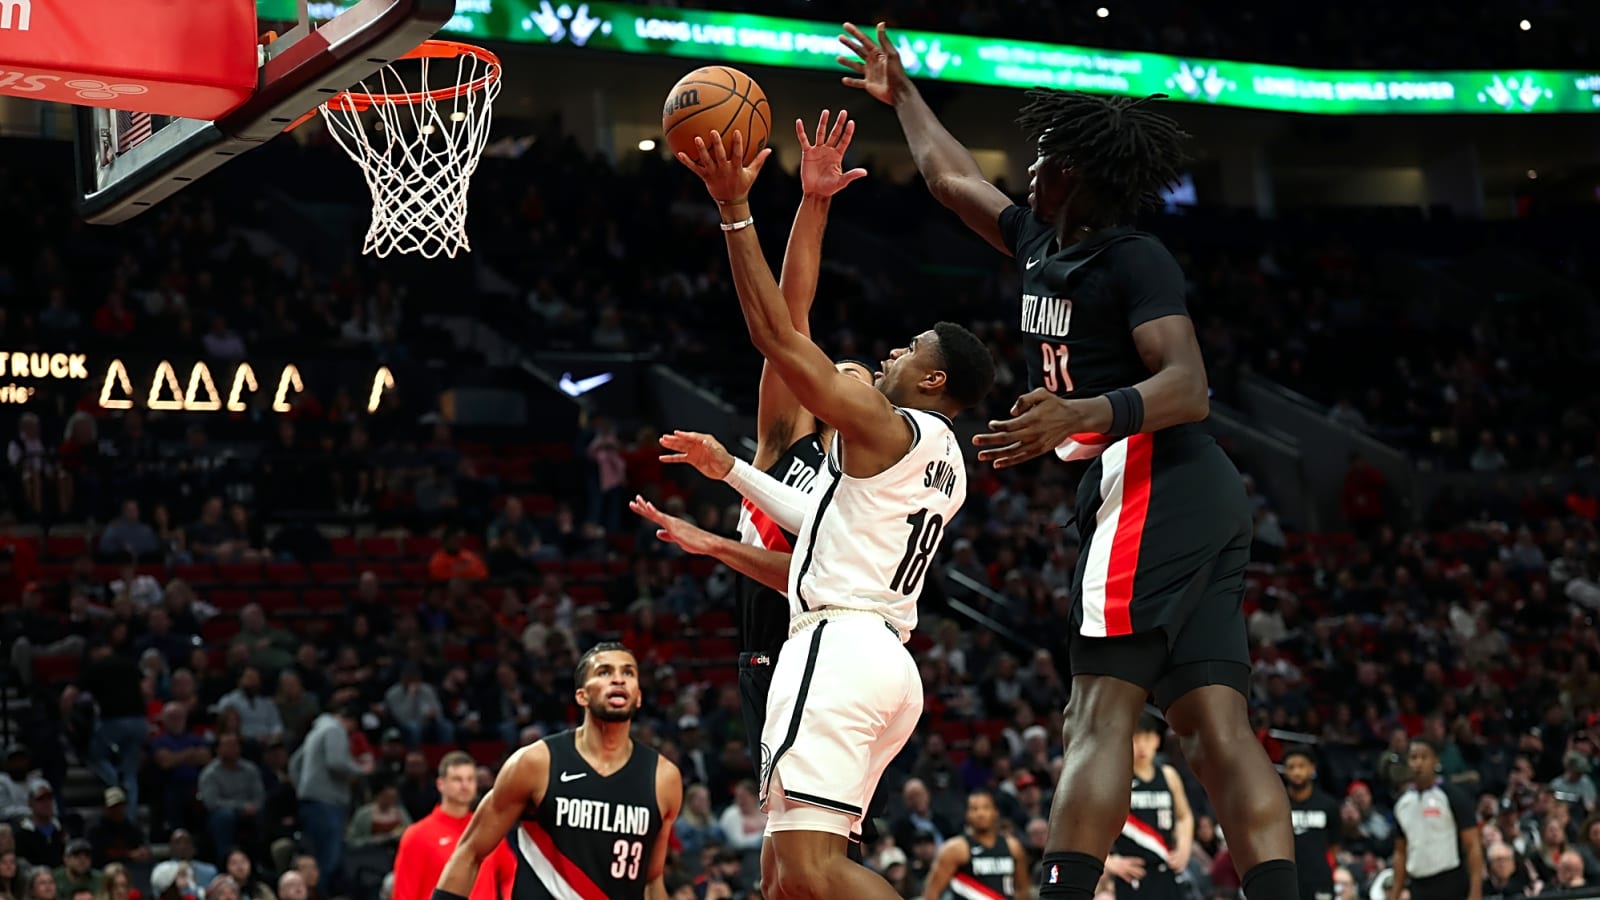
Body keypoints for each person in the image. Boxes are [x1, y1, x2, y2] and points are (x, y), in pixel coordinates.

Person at [838, 22, 1298, 900]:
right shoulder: (1044, 245)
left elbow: (1189, 384)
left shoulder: (1135, 257)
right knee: (1210, 727)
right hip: (1186, 492)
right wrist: (904, 95)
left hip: (1154, 475)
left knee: (1097, 714)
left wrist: (1080, 414)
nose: (1028, 166)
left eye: (1043, 155)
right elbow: (948, 179)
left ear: (1077, 173)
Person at [667, 127, 995, 900]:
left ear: (933, 377)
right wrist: (812, 204)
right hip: (880, 654)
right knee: (783, 880)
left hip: (839, 646)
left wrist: (735, 209)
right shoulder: (940, 460)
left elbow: (780, 332)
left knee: (808, 873)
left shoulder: (890, 428)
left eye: (907, 351)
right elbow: (809, 511)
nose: (889, 356)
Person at [434, 643, 682, 900]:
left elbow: (651, 882)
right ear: (582, 696)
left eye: (628, 673)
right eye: (605, 672)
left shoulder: (663, 778)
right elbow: (470, 852)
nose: (619, 679)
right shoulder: (537, 762)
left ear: (638, 696)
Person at [392, 751, 513, 900]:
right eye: (457, 779)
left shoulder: (487, 829)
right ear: (440, 784)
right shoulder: (417, 835)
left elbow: (510, 873)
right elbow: (404, 895)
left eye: (470, 779)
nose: (465, 785)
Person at [1389, 738, 1482, 900]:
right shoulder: (1402, 804)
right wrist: (1395, 894)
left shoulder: (1453, 796)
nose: (1418, 763)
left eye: (1424, 757)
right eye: (1413, 758)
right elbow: (1400, 852)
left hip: (1451, 882)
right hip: (1418, 885)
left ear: (1435, 761)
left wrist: (1476, 892)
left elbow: (1473, 846)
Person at [921, 790, 1031, 900]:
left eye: (986, 808)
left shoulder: (1013, 847)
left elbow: (1022, 890)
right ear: (967, 814)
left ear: (995, 812)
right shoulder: (954, 849)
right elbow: (932, 892)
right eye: (974, 809)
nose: (980, 814)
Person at [1283, 746, 1342, 900]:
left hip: (1319, 878)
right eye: (1291, 767)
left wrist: (1327, 866)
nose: (1296, 772)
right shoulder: (1279, 806)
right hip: (1286, 878)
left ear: (1312, 768)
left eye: (1301, 766)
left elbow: (1335, 844)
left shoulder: (1328, 805)